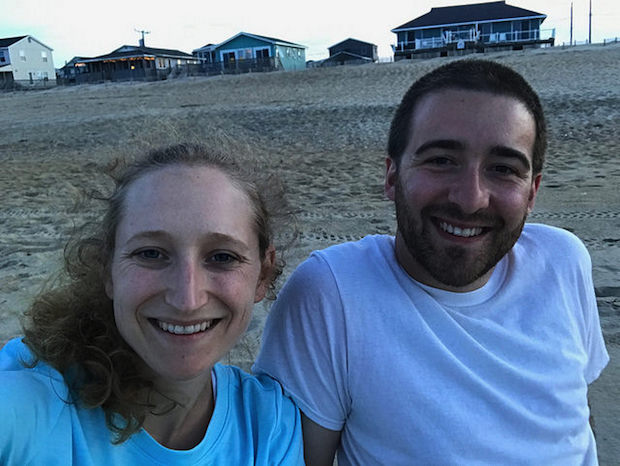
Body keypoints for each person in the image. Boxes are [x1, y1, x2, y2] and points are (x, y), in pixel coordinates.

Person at [253, 59, 609, 465]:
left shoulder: (563, 261)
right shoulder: (333, 294)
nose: (470, 198)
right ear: (391, 176)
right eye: (441, 160)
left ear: (532, 191)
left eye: (503, 169)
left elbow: (575, 420)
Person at [0, 143, 304, 464]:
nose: (187, 300)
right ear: (108, 269)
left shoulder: (266, 425)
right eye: (151, 254)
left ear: (263, 274)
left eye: (222, 257)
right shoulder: (30, 401)